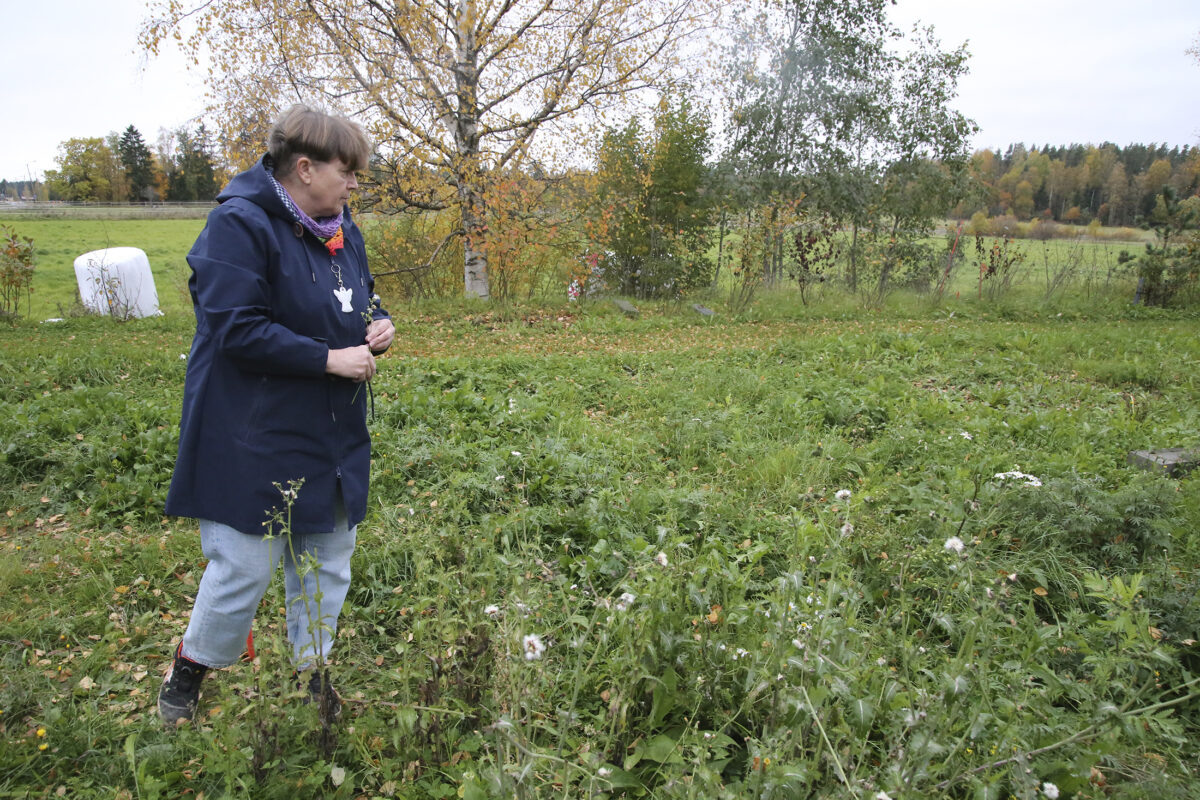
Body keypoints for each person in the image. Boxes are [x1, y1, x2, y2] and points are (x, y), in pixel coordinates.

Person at [158, 106, 395, 726]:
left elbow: (359, 290)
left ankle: (312, 670)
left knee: (326, 556)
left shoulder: (340, 226)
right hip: (252, 429)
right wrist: (328, 358)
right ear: (305, 166)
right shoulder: (238, 227)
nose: (353, 185)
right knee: (244, 564)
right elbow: (235, 327)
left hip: (329, 431)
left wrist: (377, 321)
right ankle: (191, 668)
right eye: (346, 172)